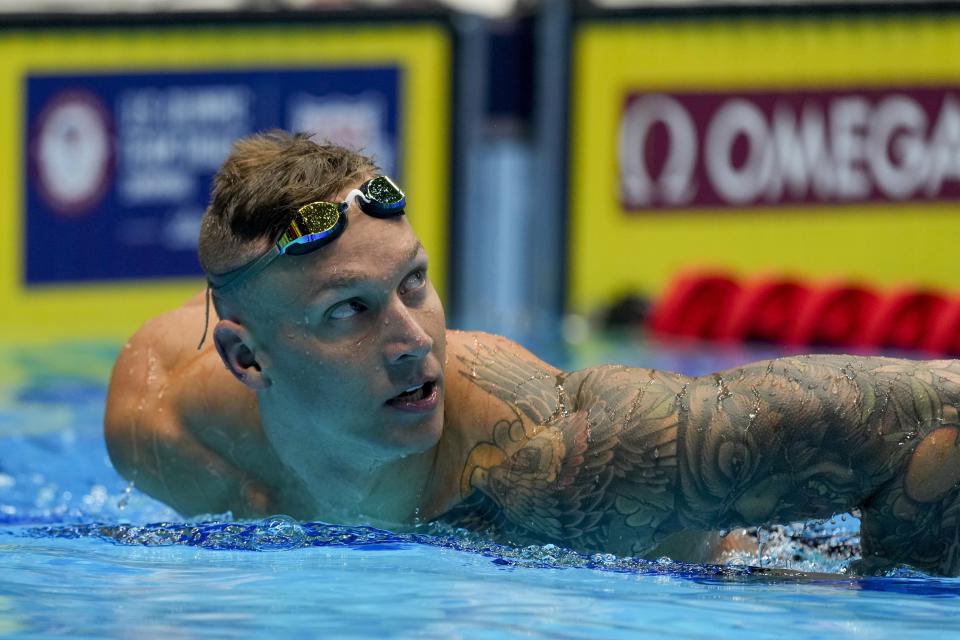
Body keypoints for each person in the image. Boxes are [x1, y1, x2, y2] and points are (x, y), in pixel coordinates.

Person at [104, 130, 960, 576]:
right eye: (350, 312)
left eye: (414, 285)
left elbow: (918, 412)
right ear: (248, 362)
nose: (412, 340)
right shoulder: (156, 427)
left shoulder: (548, 459)